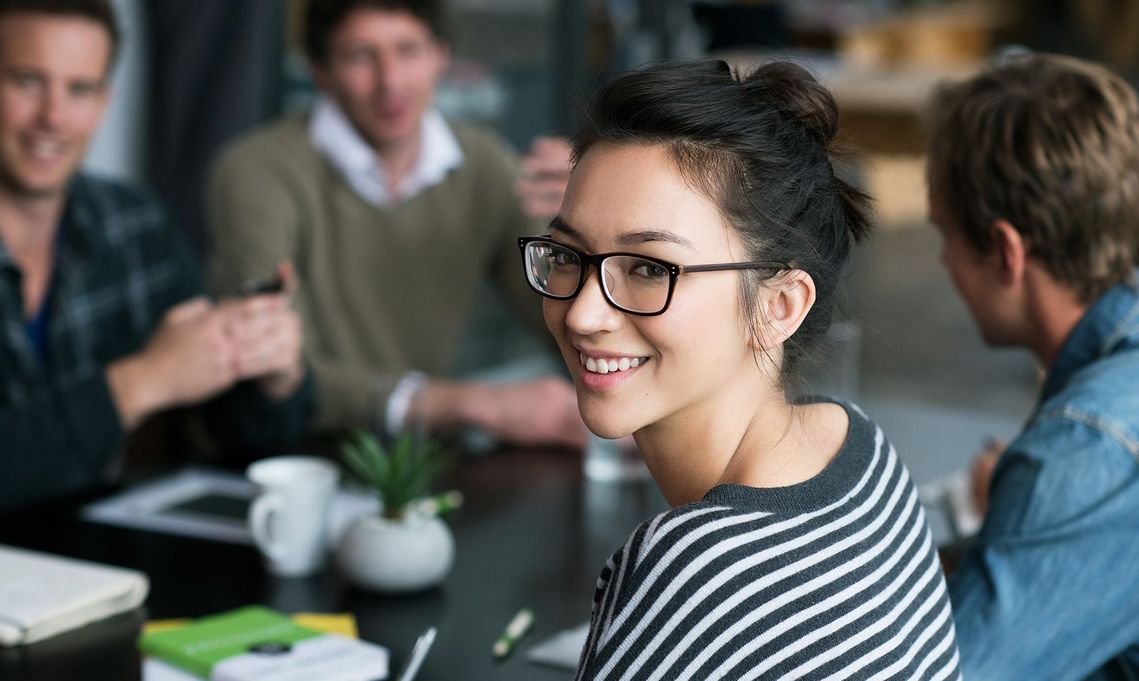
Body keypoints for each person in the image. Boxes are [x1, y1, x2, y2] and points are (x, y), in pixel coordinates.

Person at [521, 59, 962, 679]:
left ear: (781, 306)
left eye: (649, 268)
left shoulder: (694, 569)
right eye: (568, 254)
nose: (584, 314)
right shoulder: (859, 449)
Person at [206, 0, 584, 448]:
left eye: (408, 50)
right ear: (320, 70)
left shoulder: (483, 163)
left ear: (441, 54)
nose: (391, 82)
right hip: (284, 458)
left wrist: (588, 228)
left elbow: (562, 317)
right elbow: (273, 364)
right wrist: (477, 404)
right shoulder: (257, 169)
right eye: (361, 56)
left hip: (414, 463)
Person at [0, 0, 312, 511]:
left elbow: (242, 437)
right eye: (27, 82)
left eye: (80, 89)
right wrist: (141, 382)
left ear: (104, 102)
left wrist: (271, 373)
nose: (52, 118)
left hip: (98, 564)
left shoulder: (133, 223)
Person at [926, 53, 1139, 679]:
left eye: (946, 236)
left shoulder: (1082, 450)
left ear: (1006, 252)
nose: (941, 262)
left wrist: (1037, 500)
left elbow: (957, 672)